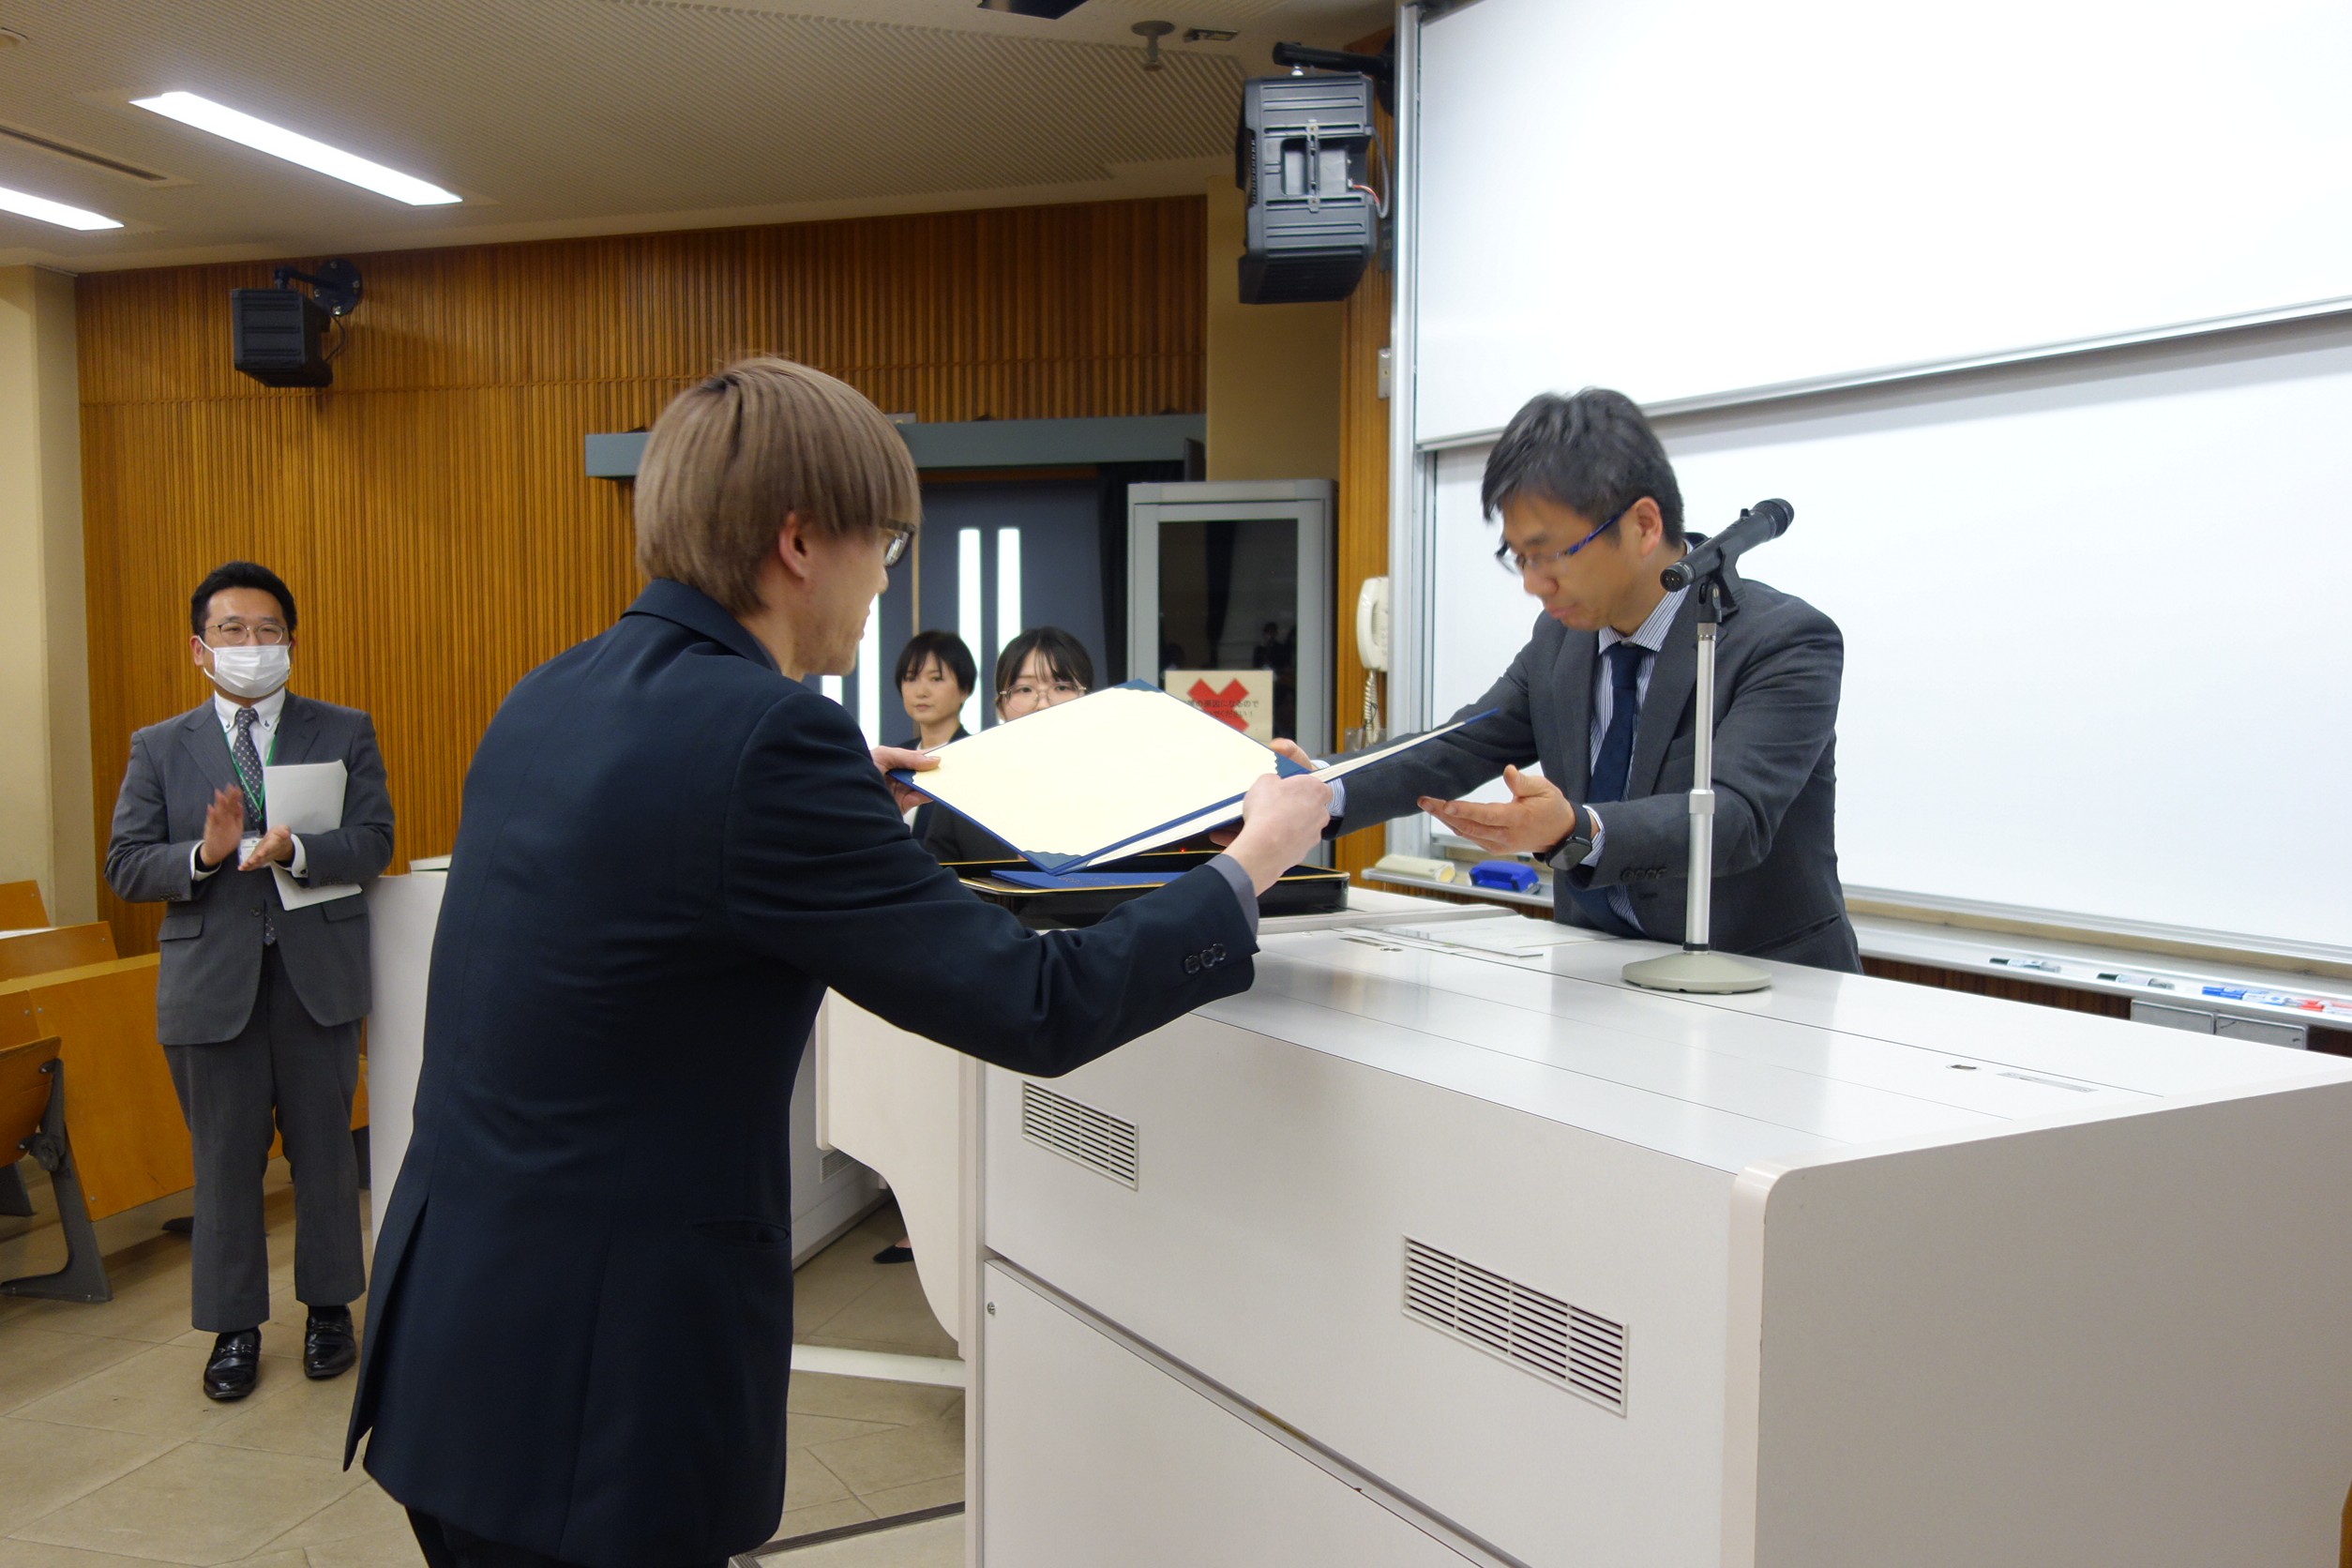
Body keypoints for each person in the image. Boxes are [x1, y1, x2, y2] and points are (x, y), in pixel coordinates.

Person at [345, 357, 1330, 1568]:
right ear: (802, 541)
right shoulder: (769, 740)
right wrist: (1247, 866)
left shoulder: (551, 692)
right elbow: (1034, 1002)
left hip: (456, 1356)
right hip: (600, 1407)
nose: (889, 579)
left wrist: (826, 791)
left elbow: (656, 858)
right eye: (887, 541)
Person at [1299, 388, 1860, 971]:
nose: (1533, 584)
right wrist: (1316, 787)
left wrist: (1577, 827)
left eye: (1551, 554)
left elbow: (1737, 817)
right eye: (1519, 557)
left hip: (1760, 978)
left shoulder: (1783, 640)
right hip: (1596, 973)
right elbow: (1461, 744)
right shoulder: (1562, 639)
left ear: (1643, 525)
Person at [103, 561, 395, 1400]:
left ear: (291, 642)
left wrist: (296, 849)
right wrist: (205, 853)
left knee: (326, 1157)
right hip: (211, 983)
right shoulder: (159, 746)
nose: (252, 643)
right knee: (225, 1163)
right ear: (200, 648)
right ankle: (233, 1329)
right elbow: (125, 864)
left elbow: (374, 840)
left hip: (316, 979)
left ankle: (330, 1310)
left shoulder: (343, 729)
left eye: (268, 630)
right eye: (232, 629)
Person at [918, 626, 1093, 866]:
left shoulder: (1124, 784)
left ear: (1090, 699)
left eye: (1062, 687)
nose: (1043, 704)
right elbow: (939, 880)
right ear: (1000, 706)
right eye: (1024, 689)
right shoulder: (960, 792)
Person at [890, 628, 975, 846]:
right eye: (911, 678)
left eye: (936, 679)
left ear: (964, 689)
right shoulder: (894, 762)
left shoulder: (976, 758)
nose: (921, 691)